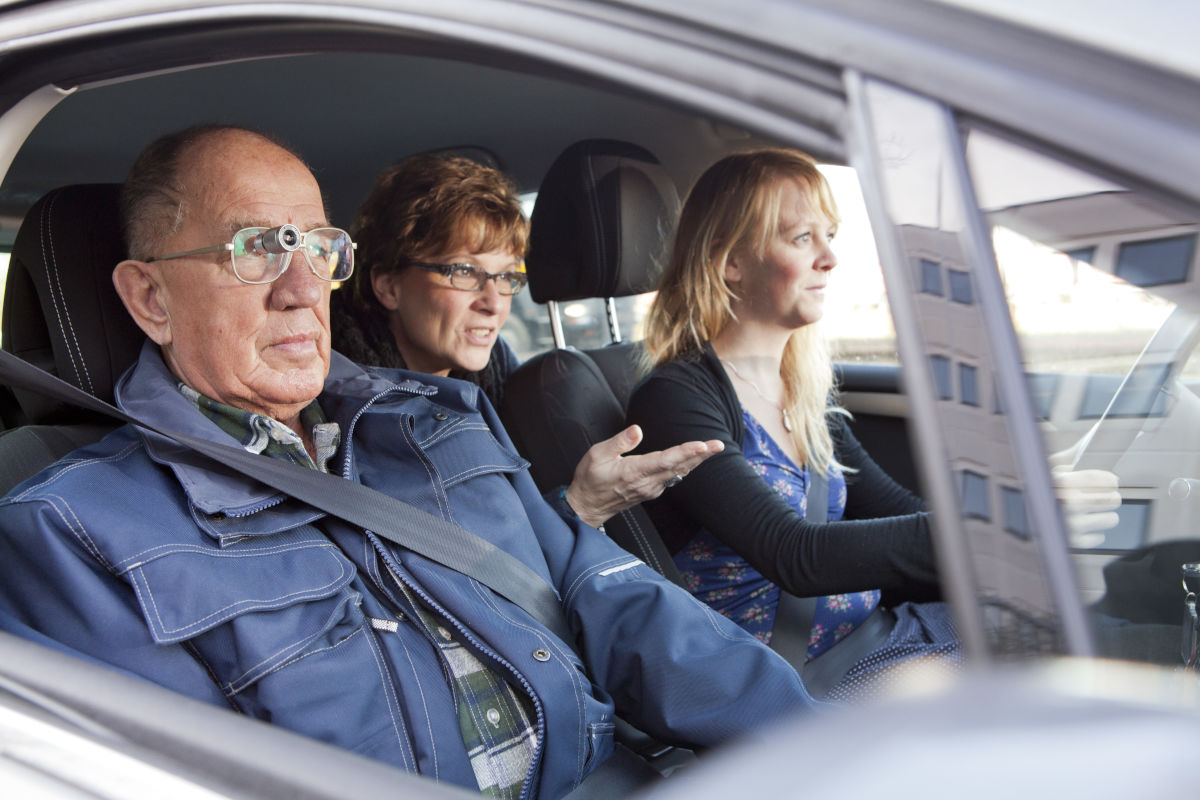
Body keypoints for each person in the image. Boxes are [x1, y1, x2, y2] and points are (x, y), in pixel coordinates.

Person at [0, 127, 817, 800]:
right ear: (149, 298)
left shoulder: (434, 419)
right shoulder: (70, 533)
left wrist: (817, 748)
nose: (299, 287)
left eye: (318, 248)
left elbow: (611, 594)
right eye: (257, 247)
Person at [625, 148, 1119, 700]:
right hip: (797, 686)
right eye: (801, 238)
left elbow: (901, 514)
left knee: (1106, 642)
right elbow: (795, 554)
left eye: (829, 234)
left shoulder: (801, 391)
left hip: (886, 638)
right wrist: (995, 522)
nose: (830, 258)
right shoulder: (676, 400)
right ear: (729, 263)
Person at [331, 153, 719, 529]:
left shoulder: (506, 385)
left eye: (506, 277)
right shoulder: (336, 414)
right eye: (465, 272)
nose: (494, 303)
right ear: (388, 285)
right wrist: (580, 506)